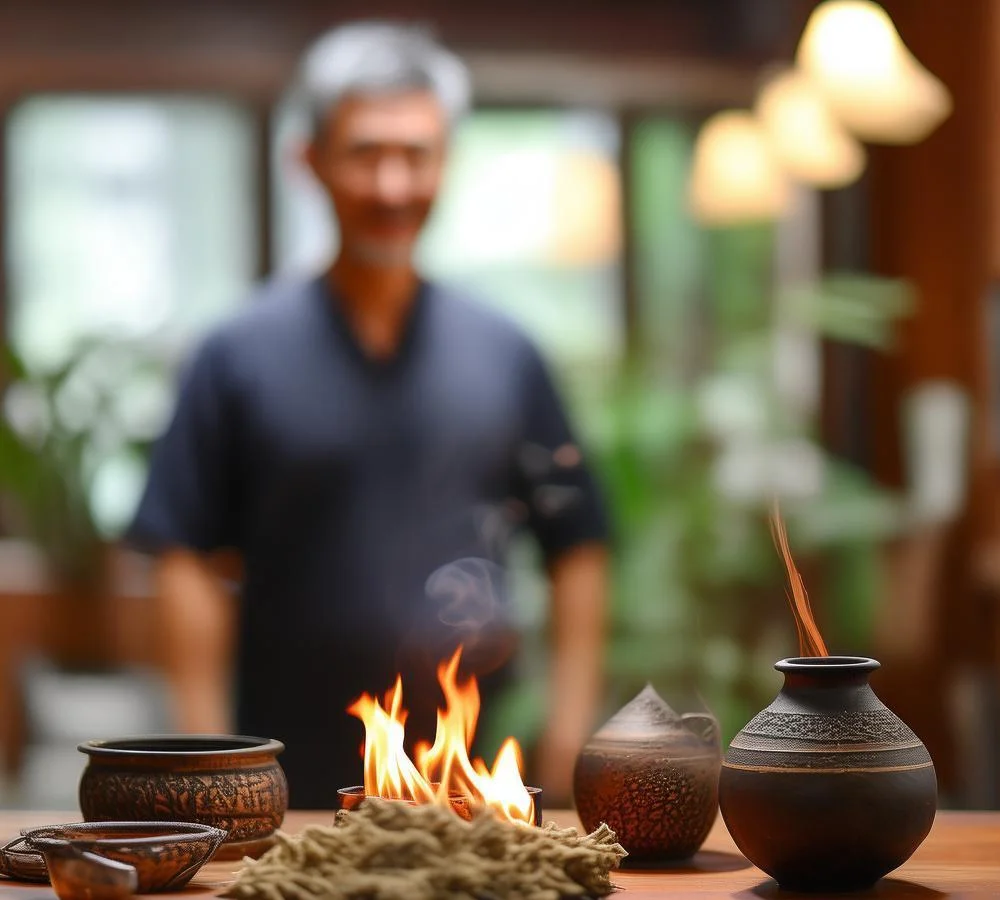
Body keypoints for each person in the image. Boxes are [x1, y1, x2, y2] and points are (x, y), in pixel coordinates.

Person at [128, 21, 609, 808]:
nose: (393, 185)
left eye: (416, 154)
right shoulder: (235, 354)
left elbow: (578, 541)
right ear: (308, 161)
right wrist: (206, 756)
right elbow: (183, 556)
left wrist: (569, 727)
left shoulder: (507, 353)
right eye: (365, 153)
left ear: (446, 162)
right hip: (283, 778)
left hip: (475, 775)